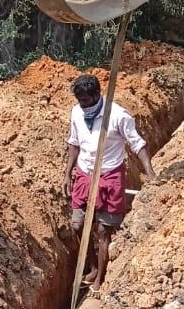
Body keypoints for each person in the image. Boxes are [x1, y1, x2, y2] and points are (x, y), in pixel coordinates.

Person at [63, 74, 154, 289]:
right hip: (85, 174)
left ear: (96, 95)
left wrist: (150, 173)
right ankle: (93, 266)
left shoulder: (118, 115)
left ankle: (100, 279)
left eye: (85, 100)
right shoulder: (77, 112)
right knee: (78, 226)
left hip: (110, 177)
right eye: (79, 100)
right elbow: (74, 143)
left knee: (104, 231)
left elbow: (138, 144)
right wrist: (67, 174)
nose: (81, 104)